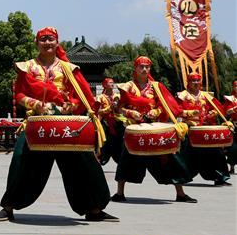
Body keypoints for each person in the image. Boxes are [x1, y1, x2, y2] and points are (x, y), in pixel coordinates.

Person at [0, 27, 116, 223]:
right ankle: (8, 207)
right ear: (37, 43)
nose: (47, 43)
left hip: (64, 122)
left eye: (51, 39)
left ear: (57, 42)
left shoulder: (68, 68)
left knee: (84, 162)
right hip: (37, 121)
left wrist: (71, 106)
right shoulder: (27, 67)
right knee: (20, 160)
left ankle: (94, 208)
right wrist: (35, 104)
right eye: (43, 39)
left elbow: (80, 97)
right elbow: (19, 94)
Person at [111, 56, 195, 203]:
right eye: (141, 67)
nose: (144, 69)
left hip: (154, 129)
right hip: (134, 128)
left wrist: (155, 112)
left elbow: (164, 105)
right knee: (126, 160)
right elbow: (119, 108)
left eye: (147, 67)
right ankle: (119, 193)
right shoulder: (128, 86)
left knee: (171, 157)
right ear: (135, 69)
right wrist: (131, 113)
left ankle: (180, 193)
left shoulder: (156, 86)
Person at [176, 73, 231, 186]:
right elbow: (176, 111)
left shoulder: (207, 95)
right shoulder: (182, 95)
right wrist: (190, 113)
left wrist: (213, 113)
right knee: (187, 153)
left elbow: (218, 108)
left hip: (206, 128)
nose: (196, 83)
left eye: (198, 81)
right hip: (190, 128)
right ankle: (183, 176)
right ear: (188, 82)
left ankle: (220, 177)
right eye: (193, 81)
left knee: (216, 152)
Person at [97, 78, 123, 165]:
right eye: (110, 83)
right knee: (104, 140)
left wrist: (116, 107)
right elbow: (98, 111)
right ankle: (102, 157)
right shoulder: (100, 97)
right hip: (105, 122)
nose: (112, 84)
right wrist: (109, 108)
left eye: (113, 82)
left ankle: (120, 159)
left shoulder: (117, 96)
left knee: (119, 140)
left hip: (116, 121)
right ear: (105, 85)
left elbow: (120, 110)